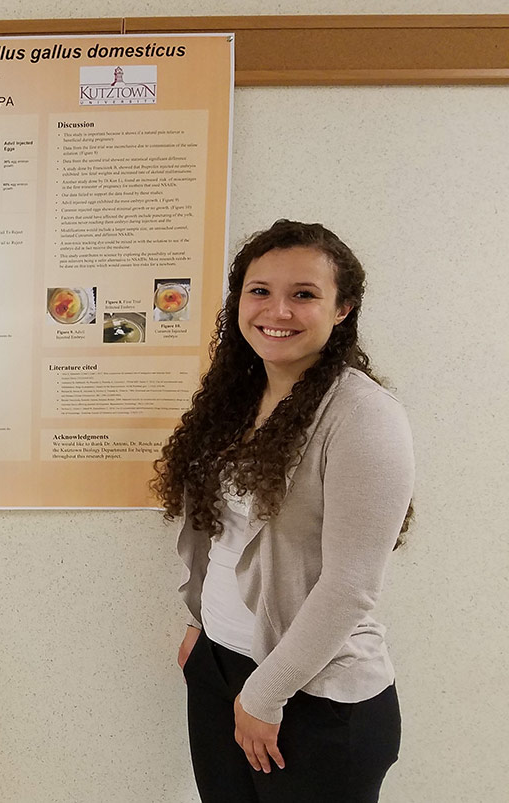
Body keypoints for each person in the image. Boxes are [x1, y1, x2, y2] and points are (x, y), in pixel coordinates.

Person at [153, 220, 414, 802]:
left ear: (342, 308)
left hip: (312, 694)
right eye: (260, 290)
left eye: (304, 294)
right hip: (222, 670)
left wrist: (264, 694)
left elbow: (351, 586)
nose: (278, 310)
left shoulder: (362, 415)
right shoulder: (240, 394)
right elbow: (221, 536)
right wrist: (201, 627)